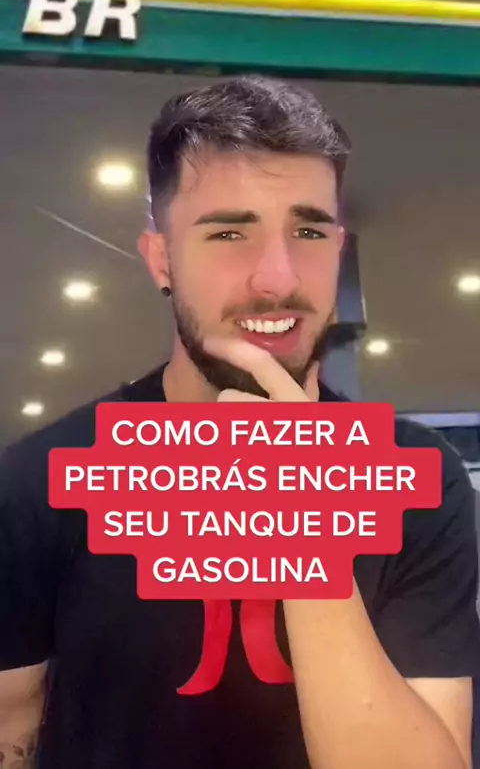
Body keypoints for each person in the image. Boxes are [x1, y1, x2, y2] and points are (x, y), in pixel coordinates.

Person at [0, 75, 479, 769]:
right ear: (162, 260)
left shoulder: (420, 479)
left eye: (309, 230)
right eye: (229, 232)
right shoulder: (41, 481)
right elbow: (12, 729)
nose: (277, 278)